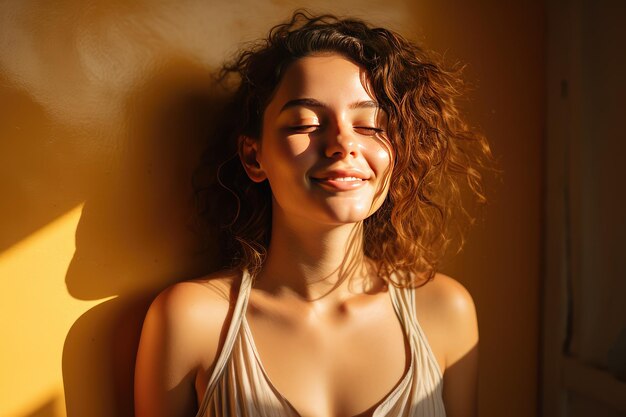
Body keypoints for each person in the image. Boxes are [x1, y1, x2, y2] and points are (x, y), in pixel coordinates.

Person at [135, 10, 491, 417]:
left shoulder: (445, 311)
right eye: (306, 122)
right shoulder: (191, 320)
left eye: (371, 125)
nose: (342, 143)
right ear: (254, 156)